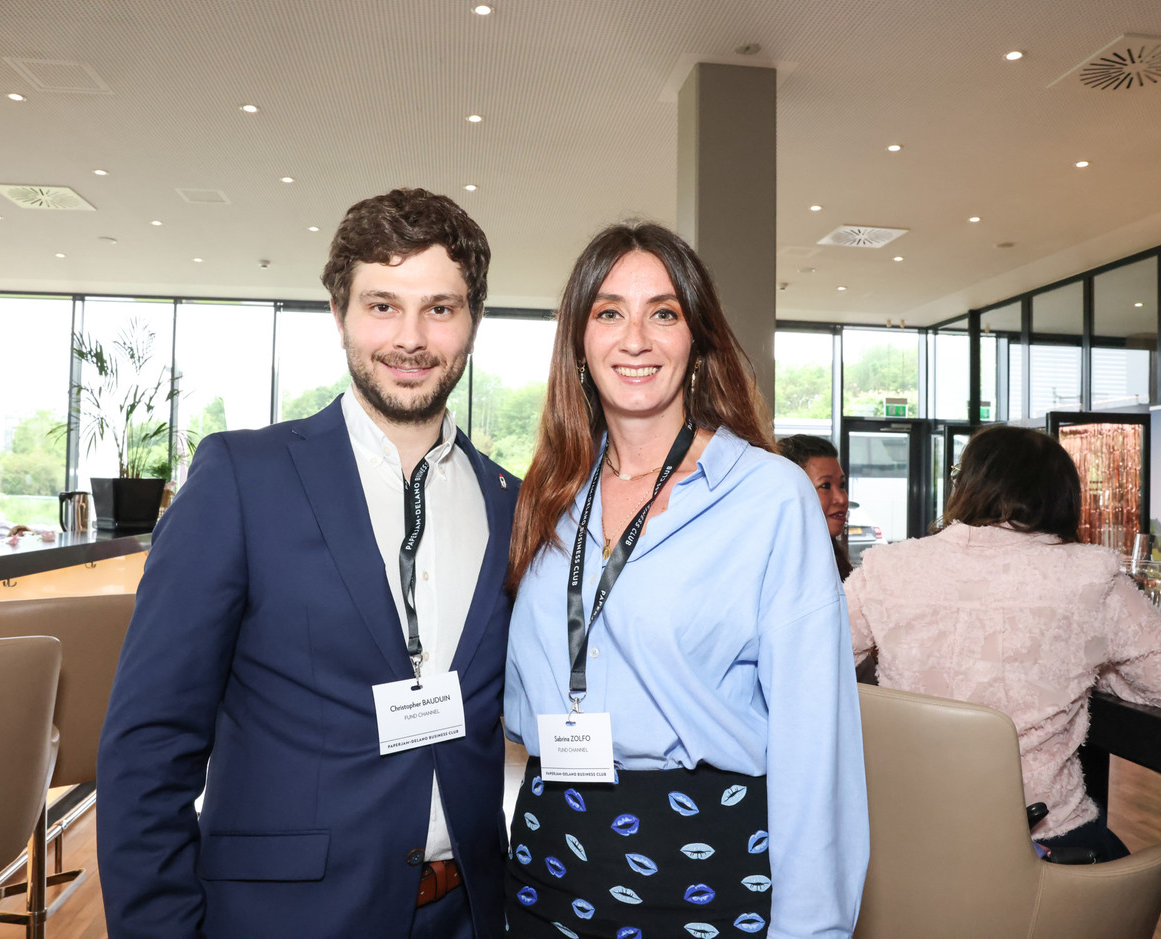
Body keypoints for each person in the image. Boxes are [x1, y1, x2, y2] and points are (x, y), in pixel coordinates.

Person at [96, 188, 518, 939]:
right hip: (284, 916)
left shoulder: (507, 501)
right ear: (339, 313)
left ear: (473, 323)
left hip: (471, 912)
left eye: (441, 309)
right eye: (382, 305)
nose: (411, 337)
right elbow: (150, 741)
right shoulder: (240, 478)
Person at [503, 223, 868, 938]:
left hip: (699, 868)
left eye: (662, 312)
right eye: (609, 312)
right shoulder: (550, 494)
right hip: (550, 856)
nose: (634, 338)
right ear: (580, 340)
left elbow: (814, 742)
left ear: (697, 340)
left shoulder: (769, 496)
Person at [847, 425, 1161, 861]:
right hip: (1040, 838)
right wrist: (1094, 670)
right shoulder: (1089, 575)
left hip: (899, 836)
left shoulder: (886, 566)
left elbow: (813, 671)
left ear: (966, 485)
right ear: (1062, 496)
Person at [779, 433, 852, 579]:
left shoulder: (833, 560)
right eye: (825, 486)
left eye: (842, 485)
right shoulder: (781, 568)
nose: (842, 499)